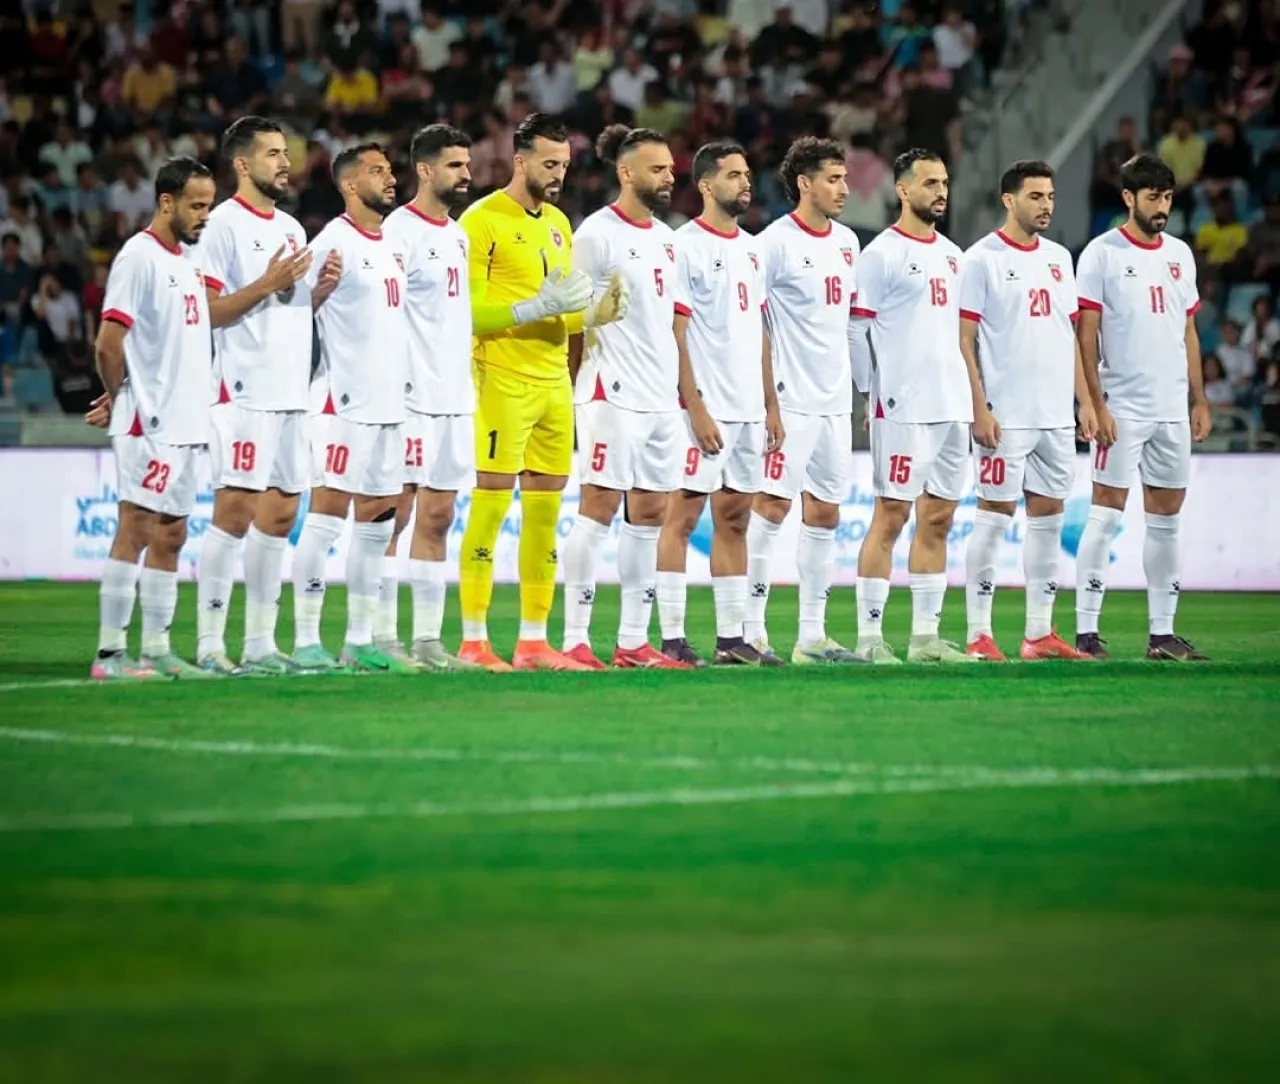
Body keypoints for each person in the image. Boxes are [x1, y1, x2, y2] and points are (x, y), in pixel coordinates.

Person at [455, 112, 625, 672]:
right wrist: (533, 308)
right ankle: (474, 642)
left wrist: (593, 315)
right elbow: (466, 312)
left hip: (554, 383)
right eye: (549, 164)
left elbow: (562, 312)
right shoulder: (481, 221)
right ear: (520, 159)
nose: (558, 175)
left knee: (545, 515)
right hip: (501, 380)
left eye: (565, 165)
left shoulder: (557, 223)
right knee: (489, 508)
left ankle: (533, 643)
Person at [193, 115, 337, 676]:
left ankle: (259, 643)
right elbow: (206, 312)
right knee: (234, 512)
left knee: (279, 516)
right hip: (243, 391)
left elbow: (285, 310)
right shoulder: (220, 226)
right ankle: (209, 644)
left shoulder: (293, 229)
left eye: (286, 152)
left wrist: (316, 294)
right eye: (273, 153)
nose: (285, 162)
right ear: (242, 163)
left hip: (290, 394)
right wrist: (265, 285)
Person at [560, 125, 689, 670]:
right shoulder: (595, 234)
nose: (669, 177)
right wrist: (568, 389)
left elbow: (672, 325)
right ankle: (574, 639)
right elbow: (568, 316)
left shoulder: (667, 238)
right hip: (609, 391)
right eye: (657, 169)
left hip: (660, 396)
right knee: (598, 507)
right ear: (626, 172)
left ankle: (633, 641)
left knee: (651, 513)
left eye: (670, 169)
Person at [958, 160, 1098, 662]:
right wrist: (979, 408)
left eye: (1051, 196)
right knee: (993, 515)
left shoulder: (1060, 258)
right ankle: (978, 633)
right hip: (1006, 416)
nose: (1046, 205)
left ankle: (1039, 633)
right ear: (1009, 200)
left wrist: (1085, 400)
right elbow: (964, 340)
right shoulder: (981, 260)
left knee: (1048, 518)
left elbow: (1069, 337)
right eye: (1036, 196)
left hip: (1054, 417)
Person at [1074, 153, 1212, 660]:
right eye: (1153, 197)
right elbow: (1085, 336)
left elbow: (1188, 331)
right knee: (1105, 514)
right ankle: (1086, 633)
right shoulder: (1101, 254)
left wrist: (1199, 399)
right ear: (1129, 197)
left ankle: (1162, 635)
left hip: (1171, 409)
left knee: (1167, 519)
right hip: (1123, 407)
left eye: (1168, 197)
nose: (1162, 207)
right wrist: (1094, 403)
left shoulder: (1180, 254)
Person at [654, 140, 785, 667]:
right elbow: (675, 334)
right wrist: (695, 407)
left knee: (734, 521)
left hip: (749, 411)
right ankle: (671, 638)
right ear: (706, 185)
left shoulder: (753, 249)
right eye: (734, 175)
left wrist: (770, 405)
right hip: (704, 411)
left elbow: (760, 332)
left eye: (747, 173)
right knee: (681, 519)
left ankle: (732, 639)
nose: (745, 182)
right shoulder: (682, 246)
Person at [91, 157, 218, 680]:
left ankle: (157, 649)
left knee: (173, 533)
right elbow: (108, 343)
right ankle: (109, 654)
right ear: (167, 203)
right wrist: (119, 394)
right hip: (151, 421)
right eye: (196, 205)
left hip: (188, 421)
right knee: (137, 527)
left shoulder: (189, 260)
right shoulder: (138, 257)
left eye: (209, 205)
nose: (205, 215)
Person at [849, 147, 977, 664]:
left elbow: (961, 336)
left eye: (944, 183)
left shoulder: (953, 255)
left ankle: (925, 639)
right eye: (930, 183)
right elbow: (856, 329)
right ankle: (869, 638)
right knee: (891, 515)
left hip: (952, 405)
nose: (941, 192)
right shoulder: (882, 254)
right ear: (902, 190)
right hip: (902, 405)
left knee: (939, 518)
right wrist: (869, 390)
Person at [290, 143, 412, 672]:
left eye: (389, 170)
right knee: (325, 518)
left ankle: (359, 639)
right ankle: (305, 641)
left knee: (379, 523)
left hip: (388, 405)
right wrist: (316, 294)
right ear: (348, 184)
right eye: (376, 171)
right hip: (341, 403)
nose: (389, 178)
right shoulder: (330, 243)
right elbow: (289, 316)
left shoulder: (391, 245)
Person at [743, 136, 863, 666]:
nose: (844, 188)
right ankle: (750, 631)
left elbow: (849, 324)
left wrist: (860, 390)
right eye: (833, 180)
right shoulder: (773, 244)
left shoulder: (849, 243)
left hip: (834, 403)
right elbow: (755, 325)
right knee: (771, 506)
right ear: (804, 184)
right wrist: (768, 403)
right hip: (789, 402)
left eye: (844, 178)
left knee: (826, 513)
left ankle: (812, 637)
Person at [378, 124, 482, 670]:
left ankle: (427, 640)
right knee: (393, 515)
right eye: (455, 165)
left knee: (439, 516)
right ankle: (379, 635)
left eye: (467, 164)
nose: (467, 174)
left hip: (454, 396)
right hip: (410, 395)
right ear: (424, 169)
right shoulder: (398, 231)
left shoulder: (457, 234)